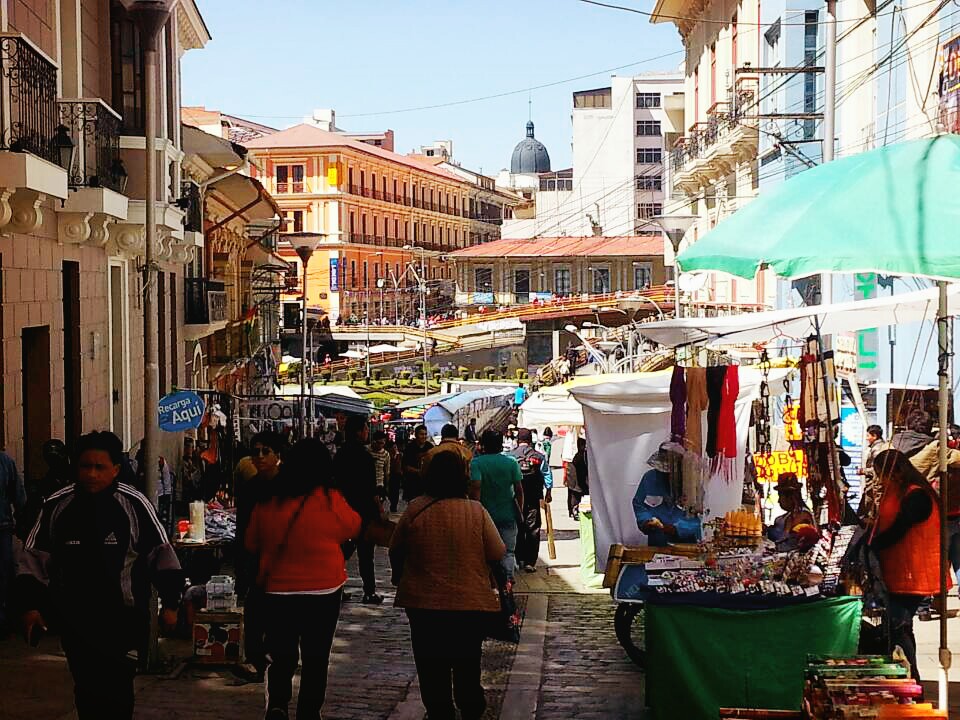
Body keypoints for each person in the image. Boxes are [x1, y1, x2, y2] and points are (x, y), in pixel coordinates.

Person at [17, 431, 182, 720]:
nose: (91, 474)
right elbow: (34, 561)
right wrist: (31, 606)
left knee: (118, 692)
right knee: (87, 691)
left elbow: (162, 554)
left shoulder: (134, 504)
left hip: (124, 620)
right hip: (75, 621)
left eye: (100, 467)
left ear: (116, 469)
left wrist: (171, 603)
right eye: (85, 466)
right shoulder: (57, 505)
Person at [245, 438, 361, 720]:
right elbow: (353, 525)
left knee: (282, 655)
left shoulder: (269, 499)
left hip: (277, 590)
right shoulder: (330, 498)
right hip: (323, 590)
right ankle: (309, 711)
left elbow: (251, 542)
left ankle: (278, 705)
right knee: (316, 657)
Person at [389, 452, 505, 720]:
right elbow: (497, 551)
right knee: (467, 663)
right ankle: (470, 706)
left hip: (423, 604)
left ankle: (439, 711)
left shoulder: (416, 507)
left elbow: (396, 547)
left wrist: (399, 576)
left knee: (431, 667)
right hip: (469, 604)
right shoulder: (476, 510)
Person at [870, 449, 948, 684]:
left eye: (879, 474)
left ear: (893, 473)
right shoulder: (898, 492)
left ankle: (911, 679)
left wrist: (875, 544)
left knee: (899, 626)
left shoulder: (917, 496)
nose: (878, 480)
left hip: (913, 572)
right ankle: (904, 677)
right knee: (898, 626)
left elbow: (899, 528)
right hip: (899, 571)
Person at [236, 430, 287, 680]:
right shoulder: (250, 487)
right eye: (255, 452)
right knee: (254, 611)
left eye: (265, 451)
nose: (259, 456)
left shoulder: (288, 486)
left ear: (277, 455)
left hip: (283, 561)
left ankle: (278, 659)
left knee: (279, 615)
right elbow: (242, 526)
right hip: (255, 558)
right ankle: (257, 660)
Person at [333, 415, 384, 605]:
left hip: (343, 509)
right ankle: (369, 591)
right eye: (365, 429)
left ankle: (337, 588)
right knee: (365, 554)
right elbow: (371, 489)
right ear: (357, 432)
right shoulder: (364, 457)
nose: (367, 432)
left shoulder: (339, 455)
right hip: (363, 511)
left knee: (341, 552)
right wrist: (379, 509)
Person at [470, 430, 524, 579]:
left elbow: (476, 489)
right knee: (508, 552)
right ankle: (507, 583)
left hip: (484, 517)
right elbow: (519, 490)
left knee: (485, 553)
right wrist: (519, 510)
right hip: (508, 515)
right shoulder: (511, 462)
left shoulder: (476, 464)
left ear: (483, 445)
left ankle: (489, 584)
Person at [632, 446, 701, 547]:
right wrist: (646, 521)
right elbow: (639, 504)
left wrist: (676, 528)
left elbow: (698, 516)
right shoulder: (649, 478)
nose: (665, 475)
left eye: (669, 472)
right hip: (658, 541)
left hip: (686, 543)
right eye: (662, 471)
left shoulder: (692, 483)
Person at [510, 428, 552, 573]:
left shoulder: (510, 457)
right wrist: (549, 492)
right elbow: (547, 474)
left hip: (514, 499)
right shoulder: (539, 457)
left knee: (518, 528)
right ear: (530, 440)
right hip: (534, 497)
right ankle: (530, 562)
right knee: (533, 529)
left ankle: (519, 558)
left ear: (518, 440)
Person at [0, 449, 25, 634]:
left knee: (3, 574)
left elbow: (18, 495)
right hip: (3, 525)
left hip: (2, 527)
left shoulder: (5, 462)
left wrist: (22, 520)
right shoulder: (5, 462)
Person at [766, 473, 815, 549]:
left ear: (790, 497)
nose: (779, 501)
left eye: (780, 496)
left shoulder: (802, 516)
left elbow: (790, 542)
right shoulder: (786, 517)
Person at [859, 424, 890, 520]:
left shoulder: (877, 449)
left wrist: (864, 471)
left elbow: (877, 469)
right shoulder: (878, 447)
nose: (867, 438)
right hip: (873, 485)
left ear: (875, 436)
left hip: (873, 485)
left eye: (868, 436)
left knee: (868, 513)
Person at [402, 424, 434, 501]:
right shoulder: (410, 448)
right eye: (421, 434)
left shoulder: (430, 447)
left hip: (426, 484)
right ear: (416, 435)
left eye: (425, 434)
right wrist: (418, 471)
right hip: (412, 483)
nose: (424, 436)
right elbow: (405, 466)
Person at [566, 438, 588, 521]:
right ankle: (574, 511)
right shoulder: (580, 455)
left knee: (573, 495)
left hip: (574, 480)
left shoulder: (579, 455)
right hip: (577, 481)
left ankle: (572, 510)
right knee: (575, 497)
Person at [369, 431, 391, 499]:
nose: (380, 445)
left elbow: (386, 471)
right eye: (378, 443)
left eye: (382, 443)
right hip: (368, 483)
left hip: (379, 484)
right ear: (373, 441)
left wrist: (386, 486)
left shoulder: (386, 454)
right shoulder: (366, 450)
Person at [386, 438, 404, 513]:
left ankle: (394, 506)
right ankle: (391, 503)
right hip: (390, 475)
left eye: (395, 447)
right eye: (393, 447)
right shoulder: (387, 456)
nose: (395, 449)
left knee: (396, 491)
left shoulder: (400, 455)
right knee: (390, 491)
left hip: (397, 476)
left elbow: (402, 465)